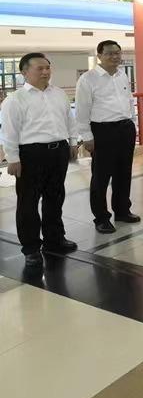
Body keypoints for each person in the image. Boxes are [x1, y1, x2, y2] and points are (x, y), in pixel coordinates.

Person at [1, 53, 79, 267]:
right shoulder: (15, 99)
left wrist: (73, 142)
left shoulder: (58, 93)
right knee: (28, 202)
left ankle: (55, 239)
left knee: (55, 197)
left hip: (58, 150)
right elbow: (9, 132)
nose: (45, 72)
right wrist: (13, 158)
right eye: (40, 68)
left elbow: (69, 119)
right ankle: (31, 248)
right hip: (31, 154)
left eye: (47, 68)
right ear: (24, 72)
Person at [75, 40, 140, 233]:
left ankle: (122, 210)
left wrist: (132, 123)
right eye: (110, 53)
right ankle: (101, 217)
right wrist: (87, 136)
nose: (115, 57)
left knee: (124, 173)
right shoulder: (88, 79)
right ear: (99, 56)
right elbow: (82, 110)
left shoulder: (122, 75)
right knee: (101, 177)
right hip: (102, 131)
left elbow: (129, 101)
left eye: (117, 53)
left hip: (125, 128)